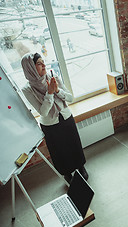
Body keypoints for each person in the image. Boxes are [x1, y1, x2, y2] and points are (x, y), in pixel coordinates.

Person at [21, 53, 88, 183]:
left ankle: (81, 167)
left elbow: (70, 98)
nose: (44, 65)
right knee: (59, 151)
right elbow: (43, 112)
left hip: (66, 116)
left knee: (74, 144)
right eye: (39, 64)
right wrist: (50, 93)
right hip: (50, 124)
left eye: (43, 62)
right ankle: (66, 173)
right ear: (30, 68)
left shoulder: (53, 77)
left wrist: (57, 91)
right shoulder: (27, 89)